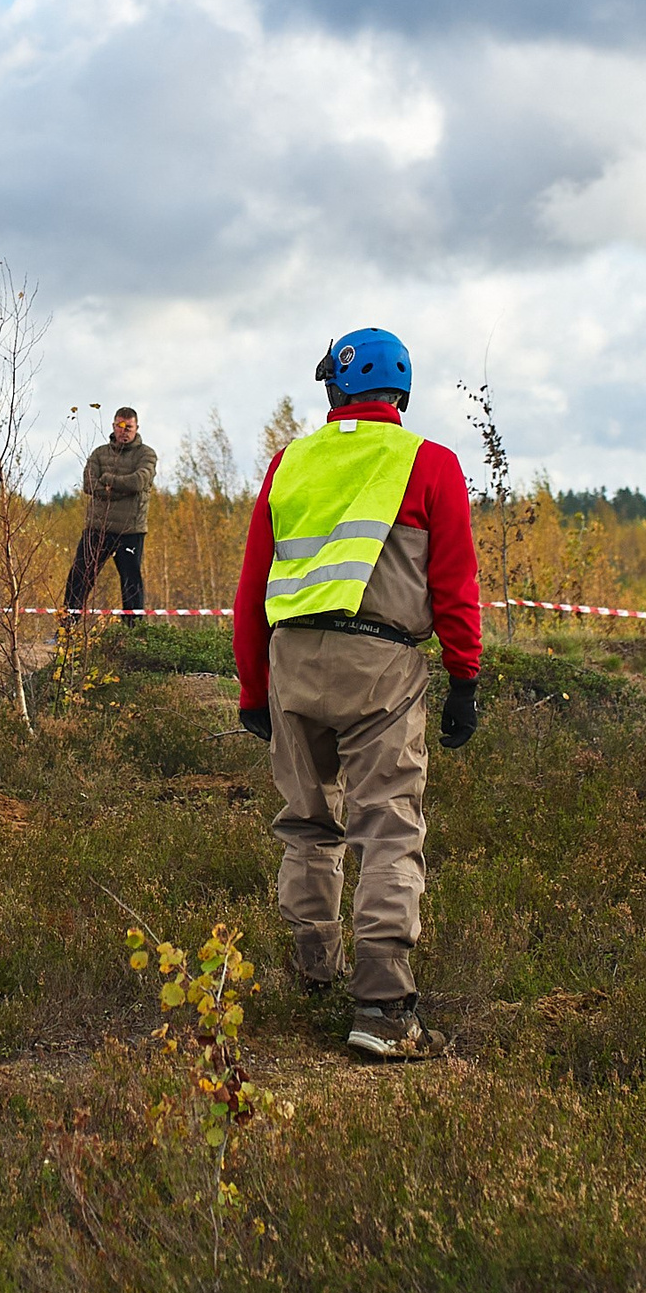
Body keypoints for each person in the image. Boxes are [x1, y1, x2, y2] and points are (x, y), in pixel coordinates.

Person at [231, 329, 481, 1061]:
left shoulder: (290, 462)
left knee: (308, 823)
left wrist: (254, 685)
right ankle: (381, 1005)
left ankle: (312, 975)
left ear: (335, 391)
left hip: (292, 663)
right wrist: (464, 676)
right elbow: (455, 585)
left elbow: (252, 590)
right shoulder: (429, 464)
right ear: (401, 392)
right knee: (389, 827)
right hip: (382, 664)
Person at [64, 407, 157, 623]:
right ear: (113, 426)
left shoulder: (147, 454)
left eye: (129, 427)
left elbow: (138, 482)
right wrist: (120, 491)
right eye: (120, 426)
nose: (124, 431)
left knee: (130, 582)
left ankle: (134, 632)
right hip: (98, 528)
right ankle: (66, 627)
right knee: (79, 576)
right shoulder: (99, 453)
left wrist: (107, 480)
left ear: (137, 428)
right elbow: (89, 484)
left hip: (130, 531)